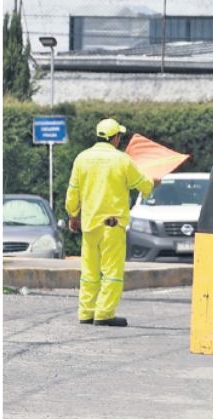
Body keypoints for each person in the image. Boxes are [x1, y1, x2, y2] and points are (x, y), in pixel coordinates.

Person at [65, 119, 156, 326]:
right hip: (112, 226)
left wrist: (73, 215)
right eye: (119, 137)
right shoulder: (122, 160)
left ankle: (86, 312)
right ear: (115, 138)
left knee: (89, 273)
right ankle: (104, 313)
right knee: (112, 273)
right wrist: (153, 183)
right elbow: (141, 183)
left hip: (89, 226)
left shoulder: (82, 158)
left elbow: (73, 191)